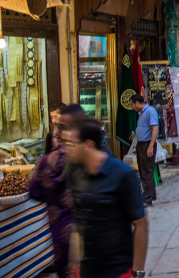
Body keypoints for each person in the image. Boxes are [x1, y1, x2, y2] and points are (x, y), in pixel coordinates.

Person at [62, 117, 148, 278]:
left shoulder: (123, 174)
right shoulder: (76, 174)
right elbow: (78, 225)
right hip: (88, 269)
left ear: (88, 145)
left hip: (118, 270)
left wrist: (137, 273)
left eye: (72, 144)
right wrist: (74, 265)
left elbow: (141, 223)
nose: (66, 149)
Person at [29, 105, 79, 278]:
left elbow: (34, 192)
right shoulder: (80, 159)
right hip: (81, 233)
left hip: (58, 232)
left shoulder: (44, 163)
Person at [130, 94, 159, 207]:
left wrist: (150, 146)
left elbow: (155, 128)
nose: (132, 107)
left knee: (146, 172)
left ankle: (147, 199)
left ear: (137, 103)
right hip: (141, 145)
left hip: (147, 144)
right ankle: (152, 194)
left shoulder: (150, 111)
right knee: (144, 171)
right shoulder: (142, 113)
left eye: (132, 105)